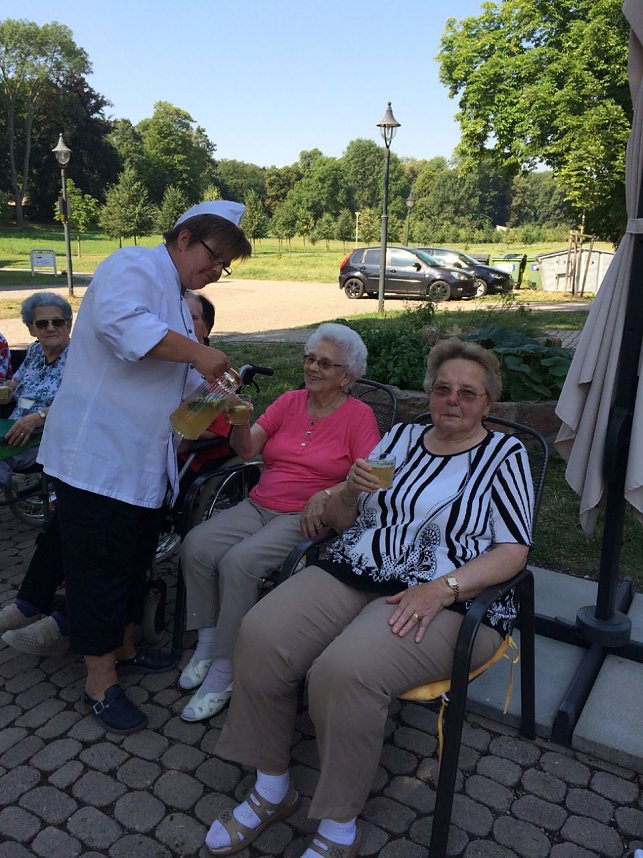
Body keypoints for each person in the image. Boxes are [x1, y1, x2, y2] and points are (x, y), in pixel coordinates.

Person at [203, 338, 535, 858]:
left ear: (487, 402)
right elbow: (341, 522)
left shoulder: (504, 455)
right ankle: (272, 788)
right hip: (355, 566)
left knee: (345, 671)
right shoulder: (400, 437)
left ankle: (339, 827)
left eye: (468, 393)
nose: (452, 400)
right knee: (261, 634)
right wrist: (349, 492)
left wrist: (443, 588)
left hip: (444, 594)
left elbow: (514, 551)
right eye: (442, 389)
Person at [36, 200, 252, 735]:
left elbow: (178, 383)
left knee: (134, 563)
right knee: (99, 571)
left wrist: (216, 393)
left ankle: (127, 647)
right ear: (184, 238)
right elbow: (121, 325)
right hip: (98, 459)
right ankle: (99, 682)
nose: (216, 271)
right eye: (215, 257)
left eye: (225, 266)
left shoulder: (177, 299)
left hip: (142, 464)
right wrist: (199, 354)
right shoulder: (131, 264)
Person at [178, 322, 381, 722]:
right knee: (196, 545)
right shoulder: (289, 402)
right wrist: (239, 421)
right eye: (310, 358)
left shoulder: (359, 417)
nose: (313, 367)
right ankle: (207, 641)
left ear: (347, 377)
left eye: (325, 363)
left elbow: (367, 475)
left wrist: (327, 495)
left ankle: (225, 669)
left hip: (304, 517)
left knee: (240, 562)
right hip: (259, 503)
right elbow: (247, 449)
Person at [0, 293, 72, 488]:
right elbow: (13, 385)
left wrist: (39, 417)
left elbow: (82, 403)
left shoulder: (80, 357)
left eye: (57, 322)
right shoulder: (35, 351)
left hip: (51, 437)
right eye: (41, 324)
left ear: (68, 325)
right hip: (14, 430)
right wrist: (6, 391)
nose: (50, 328)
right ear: (31, 329)